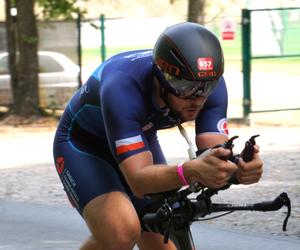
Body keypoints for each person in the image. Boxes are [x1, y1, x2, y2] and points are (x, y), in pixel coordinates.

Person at [53, 22, 263, 250]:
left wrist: (238, 169)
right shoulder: (123, 86)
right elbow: (140, 181)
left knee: (163, 228)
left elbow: (214, 155)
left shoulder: (207, 84)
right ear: (162, 77)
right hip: (84, 146)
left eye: (206, 87)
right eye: (185, 87)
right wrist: (190, 170)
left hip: (138, 137)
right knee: (121, 232)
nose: (197, 99)